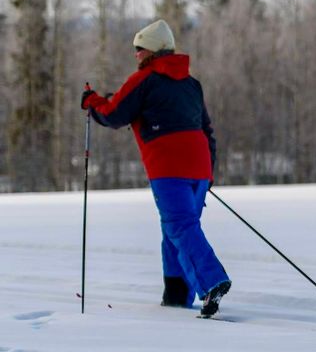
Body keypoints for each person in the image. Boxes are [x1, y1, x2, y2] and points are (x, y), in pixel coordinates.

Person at [81, 19, 231, 318]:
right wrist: (209, 172)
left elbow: (113, 115)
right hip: (199, 166)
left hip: (168, 167)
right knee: (175, 230)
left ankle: (212, 281)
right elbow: (207, 129)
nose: (136, 54)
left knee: (179, 226)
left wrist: (92, 101)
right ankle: (176, 297)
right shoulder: (191, 84)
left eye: (140, 49)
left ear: (152, 52)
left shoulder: (144, 80)